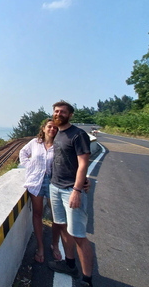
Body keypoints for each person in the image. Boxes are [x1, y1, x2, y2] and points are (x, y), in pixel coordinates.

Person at [48, 100, 94, 287]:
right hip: (55, 187)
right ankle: (69, 264)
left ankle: (87, 280)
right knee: (63, 227)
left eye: (63, 112)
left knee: (78, 235)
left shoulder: (78, 135)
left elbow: (83, 163)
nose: (58, 114)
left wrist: (77, 189)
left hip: (70, 190)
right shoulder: (58, 133)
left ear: (70, 115)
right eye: (56, 111)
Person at [19, 118, 62, 263]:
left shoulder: (59, 145)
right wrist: (29, 166)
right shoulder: (34, 143)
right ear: (43, 128)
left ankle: (55, 244)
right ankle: (40, 246)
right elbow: (23, 153)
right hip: (36, 182)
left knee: (57, 216)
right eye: (50, 127)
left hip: (53, 182)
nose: (52, 129)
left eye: (55, 128)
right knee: (38, 214)